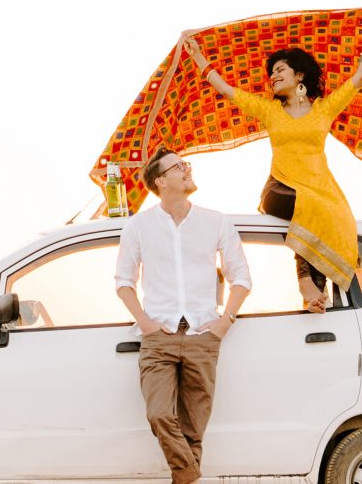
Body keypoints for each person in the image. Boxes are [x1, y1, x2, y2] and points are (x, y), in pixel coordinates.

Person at [185, 13, 362, 312]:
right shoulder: (269, 110)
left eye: (280, 70)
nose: (272, 76)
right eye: (271, 72)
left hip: (319, 190)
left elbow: (361, 76)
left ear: (299, 76)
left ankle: (315, 294)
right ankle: (304, 280)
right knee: (311, 207)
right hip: (280, 189)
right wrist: (198, 58)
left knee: (332, 214)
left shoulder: (323, 110)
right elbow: (225, 89)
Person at [116, 148, 251, 484]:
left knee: (194, 429)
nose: (187, 169)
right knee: (159, 414)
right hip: (158, 338)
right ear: (161, 181)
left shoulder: (216, 221)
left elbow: (241, 278)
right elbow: (123, 283)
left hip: (204, 337)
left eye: (185, 164)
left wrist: (224, 323)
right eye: (179, 167)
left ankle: (184, 477)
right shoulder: (138, 226)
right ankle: (189, 476)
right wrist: (146, 325)